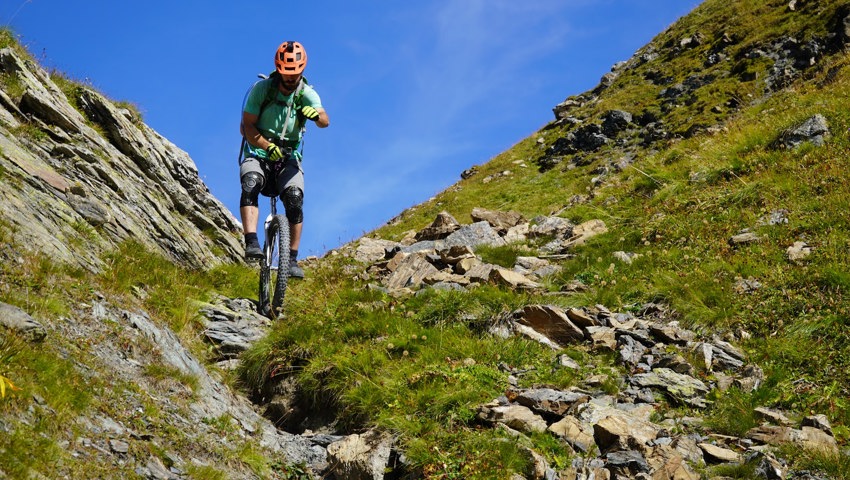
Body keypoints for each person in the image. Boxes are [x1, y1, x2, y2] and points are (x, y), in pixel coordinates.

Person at [239, 40, 329, 278]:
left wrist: (315, 116)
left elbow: (324, 120)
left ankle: (291, 260)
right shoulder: (262, 90)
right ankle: (251, 243)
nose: (290, 79)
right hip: (258, 151)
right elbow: (246, 127)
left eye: (295, 74)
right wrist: (266, 146)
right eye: (286, 74)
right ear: (278, 70)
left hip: (289, 157)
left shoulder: (306, 94)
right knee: (251, 184)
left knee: (294, 199)